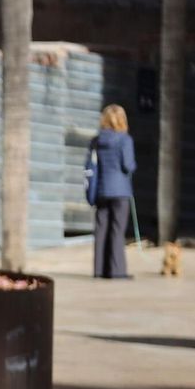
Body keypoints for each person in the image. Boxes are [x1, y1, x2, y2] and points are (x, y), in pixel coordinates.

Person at [87, 103, 137, 279]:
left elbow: (92, 165)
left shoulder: (96, 141)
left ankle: (99, 271)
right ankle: (117, 271)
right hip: (120, 191)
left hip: (101, 190)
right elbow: (128, 165)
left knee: (101, 231)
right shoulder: (125, 140)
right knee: (117, 231)